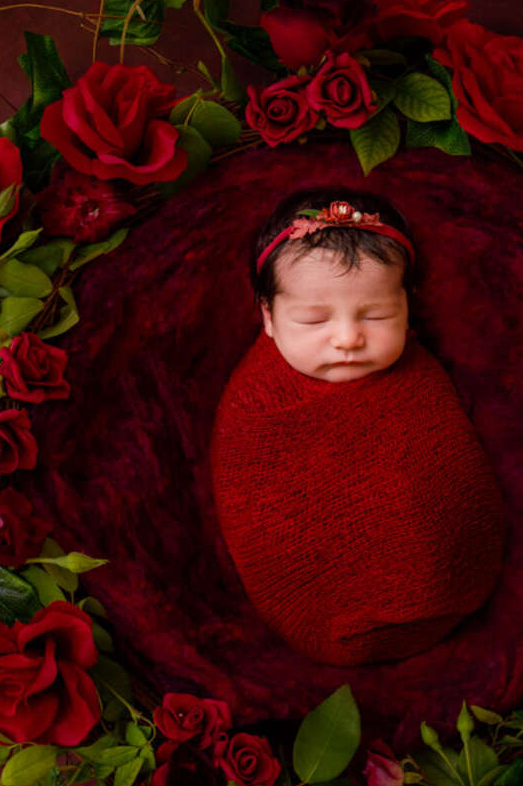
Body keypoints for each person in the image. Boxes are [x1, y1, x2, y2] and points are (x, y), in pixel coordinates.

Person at [208, 187, 506, 666]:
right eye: (312, 319)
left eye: (378, 314)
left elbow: (450, 468)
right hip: (323, 615)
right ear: (268, 316)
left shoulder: (418, 377)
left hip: (454, 589)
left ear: (409, 307)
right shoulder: (256, 408)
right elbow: (255, 505)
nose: (348, 337)